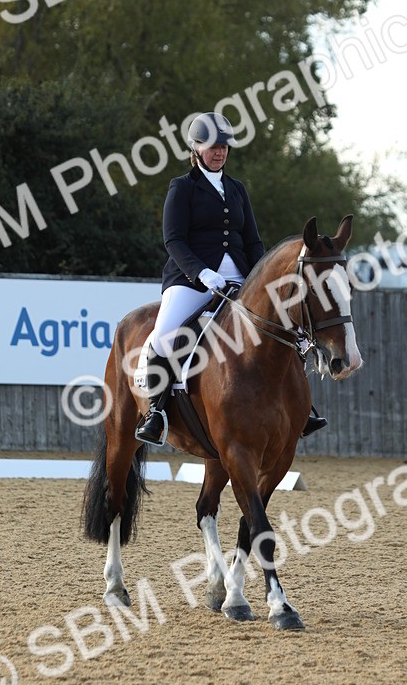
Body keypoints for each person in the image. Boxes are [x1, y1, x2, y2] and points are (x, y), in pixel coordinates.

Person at [134, 110, 328, 446]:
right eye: (212, 146)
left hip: (242, 278)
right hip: (191, 279)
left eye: (224, 146)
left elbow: (253, 242)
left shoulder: (237, 190)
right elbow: (174, 240)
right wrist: (201, 272)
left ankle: (301, 407)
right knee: (164, 334)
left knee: (287, 330)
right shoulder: (182, 188)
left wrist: (265, 279)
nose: (219, 152)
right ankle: (157, 411)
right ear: (196, 149)